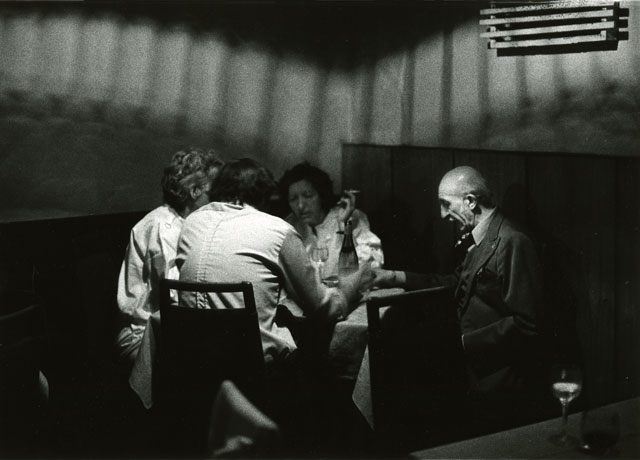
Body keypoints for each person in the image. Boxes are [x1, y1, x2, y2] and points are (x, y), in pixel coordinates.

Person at [372, 165, 552, 434]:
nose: (442, 214)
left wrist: (464, 344)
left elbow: (529, 322)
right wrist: (395, 277)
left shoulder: (513, 242)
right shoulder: (480, 236)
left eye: (446, 204)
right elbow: (456, 284)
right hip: (473, 372)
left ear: (470, 201)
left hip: (499, 380)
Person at [176, 158, 371, 364]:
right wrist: (352, 285)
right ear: (265, 197)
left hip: (191, 361)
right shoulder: (277, 230)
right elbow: (323, 308)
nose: (300, 205)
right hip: (250, 367)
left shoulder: (192, 224)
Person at [115, 147, 224, 367]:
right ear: (195, 191)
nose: (220, 200)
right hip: (144, 339)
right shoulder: (163, 227)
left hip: (167, 331)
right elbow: (175, 296)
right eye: (214, 192)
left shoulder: (182, 224)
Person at [279, 162, 383, 280]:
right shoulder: (290, 225)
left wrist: (346, 228)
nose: (301, 205)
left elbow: (374, 265)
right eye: (293, 199)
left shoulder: (348, 216)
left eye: (308, 195)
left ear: (321, 195)